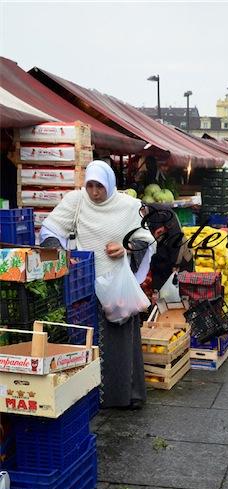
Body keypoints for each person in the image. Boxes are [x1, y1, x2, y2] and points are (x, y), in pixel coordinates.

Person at [39, 160, 155, 410]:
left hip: (117, 285)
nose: (94, 192)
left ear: (110, 184)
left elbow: (146, 239)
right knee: (89, 340)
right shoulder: (76, 201)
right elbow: (51, 228)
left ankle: (126, 395)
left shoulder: (129, 206)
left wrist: (126, 248)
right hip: (85, 283)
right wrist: (59, 251)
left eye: (99, 186)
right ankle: (90, 396)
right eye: (90, 185)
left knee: (121, 340)